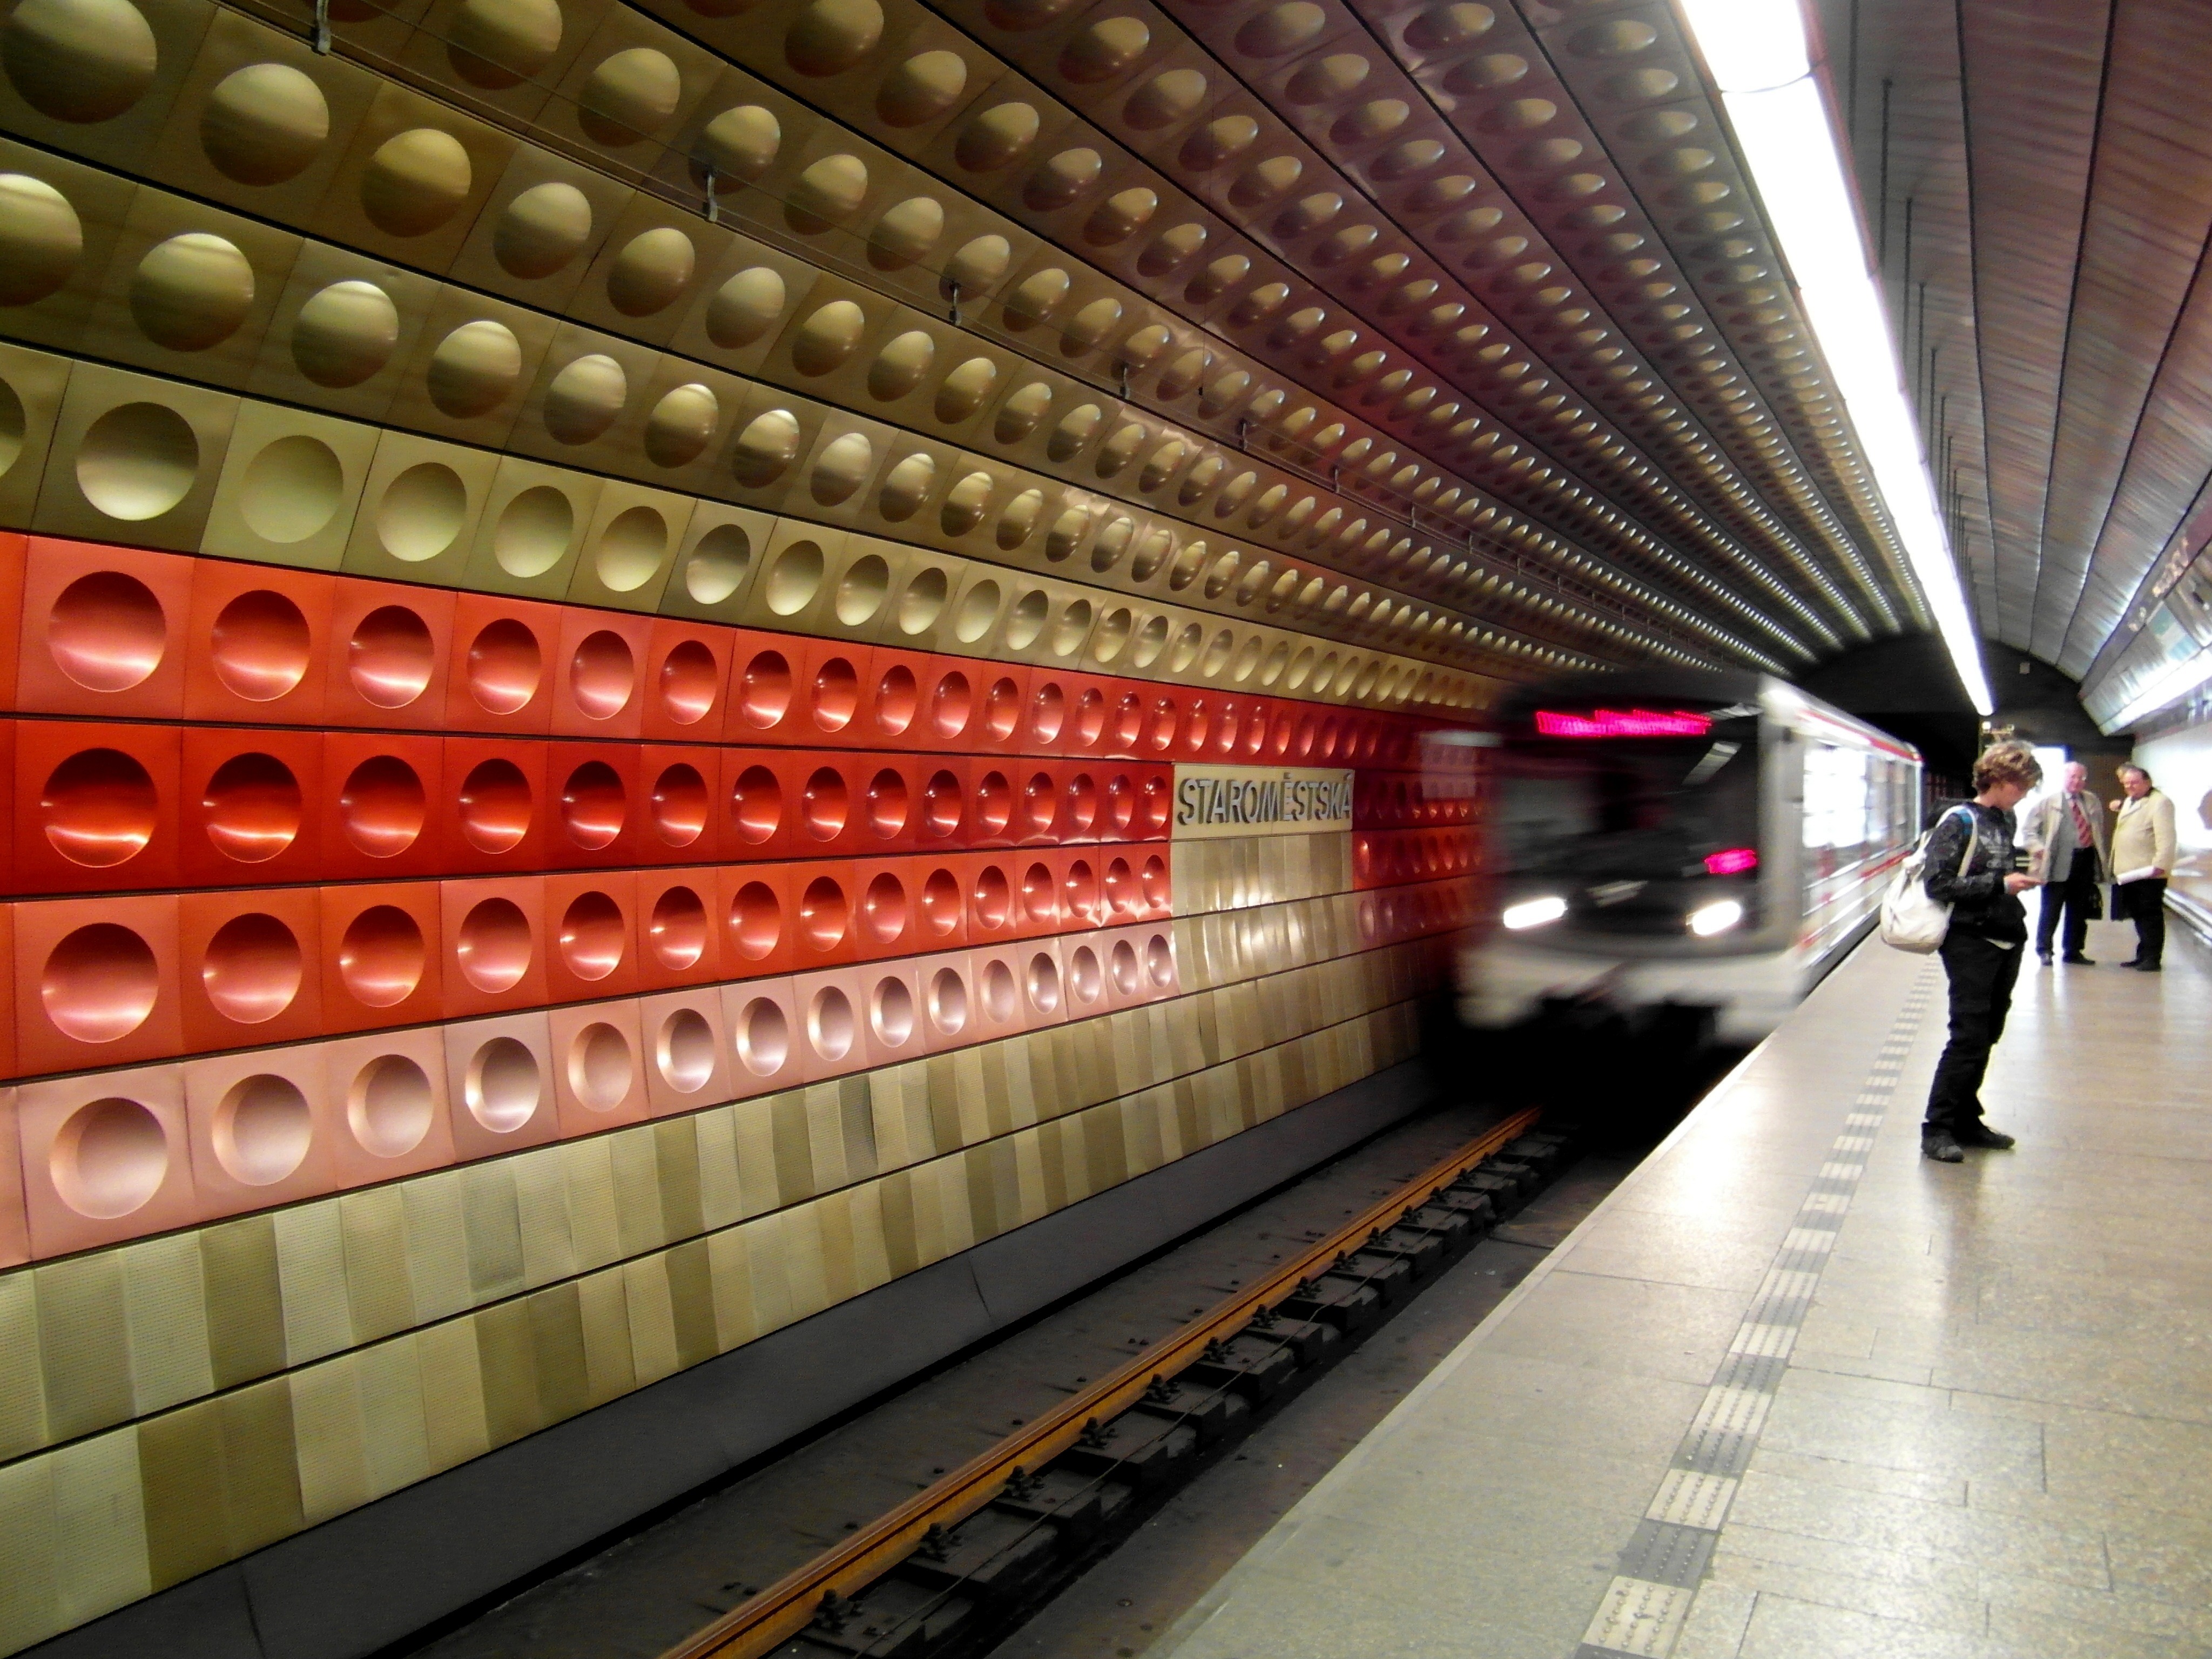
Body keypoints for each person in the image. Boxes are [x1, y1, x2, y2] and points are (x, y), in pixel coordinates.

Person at [1922, 742, 2042, 1164]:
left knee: (1989, 1032)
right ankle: (1937, 1127)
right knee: (1968, 1035)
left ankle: (1966, 1119)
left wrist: (2017, 878)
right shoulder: (1958, 821)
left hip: (2007, 935)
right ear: (1999, 779)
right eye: (2020, 786)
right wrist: (2001, 885)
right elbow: (1937, 883)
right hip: (1969, 940)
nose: (2023, 795)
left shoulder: (2005, 819)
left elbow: (1996, 870)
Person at [2022, 761, 2108, 964]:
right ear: (2064, 778)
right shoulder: (2048, 803)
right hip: (2057, 863)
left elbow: (2098, 830)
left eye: (2081, 778)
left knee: (2079, 910)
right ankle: (2044, 950)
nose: (2077, 782)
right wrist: (2039, 849)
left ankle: (2074, 951)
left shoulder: (2091, 801)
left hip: (2084, 861)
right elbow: (2029, 830)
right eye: (2072, 777)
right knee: (2051, 910)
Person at [2108, 764, 2178, 971]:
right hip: (2131, 873)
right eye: (2126, 783)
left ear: (2147, 782)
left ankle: (2152, 958)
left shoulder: (2160, 803)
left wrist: (2161, 865)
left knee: (2150, 916)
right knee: (2138, 915)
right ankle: (2143, 954)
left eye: (2134, 783)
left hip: (2149, 872)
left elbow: (2167, 838)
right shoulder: (2132, 800)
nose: (2129, 787)